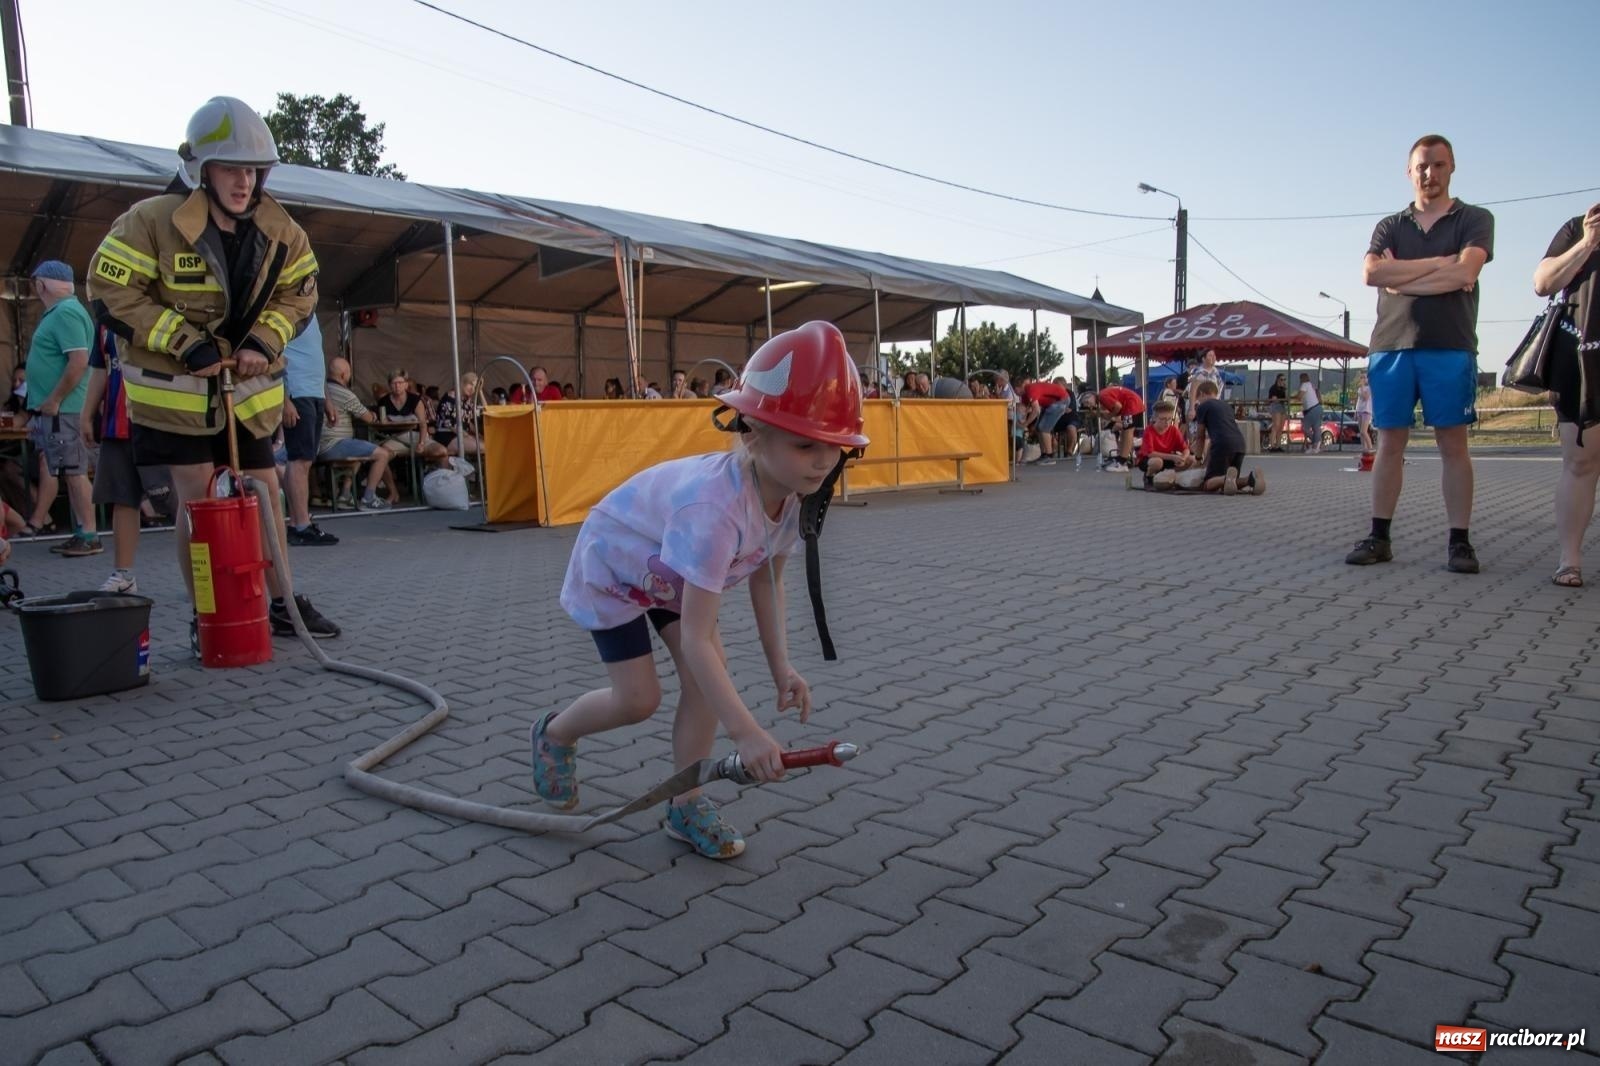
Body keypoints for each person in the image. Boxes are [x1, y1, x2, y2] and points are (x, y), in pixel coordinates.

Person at [532, 321, 868, 859]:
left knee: (709, 680)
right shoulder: (715, 511)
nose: (824, 462)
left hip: (673, 572)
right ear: (755, 432)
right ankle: (556, 734)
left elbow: (765, 575)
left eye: (835, 446)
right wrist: (748, 733)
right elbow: (694, 639)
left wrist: (781, 668)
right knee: (639, 698)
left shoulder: (796, 496)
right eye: (806, 445)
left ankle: (684, 803)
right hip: (618, 565)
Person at [86, 95, 340, 646]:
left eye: (253, 169)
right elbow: (109, 289)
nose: (244, 182)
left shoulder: (282, 229)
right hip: (177, 396)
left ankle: (281, 605)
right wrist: (184, 342)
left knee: (267, 493)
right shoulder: (151, 221)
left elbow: (302, 292)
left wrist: (264, 338)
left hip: (246, 397)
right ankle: (209, 616)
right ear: (200, 168)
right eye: (231, 168)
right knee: (201, 502)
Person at [1347, 134, 1493, 572]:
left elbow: (1466, 270)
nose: (1430, 174)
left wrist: (1404, 276)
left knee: (1454, 445)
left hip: (1450, 345)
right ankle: (1379, 537)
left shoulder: (1474, 219)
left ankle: (1459, 542)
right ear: (1409, 172)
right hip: (1391, 347)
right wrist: (1438, 266)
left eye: (1438, 165)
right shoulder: (1390, 226)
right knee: (1389, 443)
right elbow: (1372, 272)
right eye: (1422, 166)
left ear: (1452, 168)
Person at [79, 325, 178, 592]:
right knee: (123, 499)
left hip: (160, 421)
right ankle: (124, 576)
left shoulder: (158, 305)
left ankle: (207, 570)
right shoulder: (103, 321)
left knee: (179, 503)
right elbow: (100, 368)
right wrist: (87, 414)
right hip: (116, 424)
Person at [1536, 202, 1600, 587]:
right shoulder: (1579, 227)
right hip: (1582, 359)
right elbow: (1542, 282)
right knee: (1579, 462)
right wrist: (1588, 243)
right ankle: (1569, 559)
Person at [17, 261, 100, 554]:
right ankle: (83, 531)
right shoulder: (64, 312)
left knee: (74, 471)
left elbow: (78, 361)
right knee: (70, 470)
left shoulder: (65, 312)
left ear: (41, 284)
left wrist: (53, 399)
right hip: (63, 408)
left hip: (65, 408)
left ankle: (89, 534)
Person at [278, 315, 338, 546]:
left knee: (305, 461)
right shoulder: (287, 313)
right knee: (299, 460)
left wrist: (328, 399)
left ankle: (298, 522)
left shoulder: (311, 317)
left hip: (314, 393)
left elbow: (316, 360)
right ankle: (300, 524)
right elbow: (276, 358)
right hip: (297, 391)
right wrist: (285, 400)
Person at [318, 356, 397, 510]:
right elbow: (367, 418)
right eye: (349, 373)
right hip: (335, 444)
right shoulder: (345, 394)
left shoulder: (321, 389)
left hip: (320, 445)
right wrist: (374, 415)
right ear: (343, 375)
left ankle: (345, 495)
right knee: (382, 454)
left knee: (360, 455)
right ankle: (368, 498)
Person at [1192, 380, 1265, 495]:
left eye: (1198, 398)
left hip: (1222, 445)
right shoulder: (1227, 406)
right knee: (1232, 483)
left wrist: (1197, 458)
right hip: (1240, 444)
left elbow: (1200, 436)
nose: (1198, 401)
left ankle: (1225, 479)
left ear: (1202, 393)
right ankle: (1251, 479)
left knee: (1208, 484)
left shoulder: (1203, 406)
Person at [1136, 399, 1195, 487]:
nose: (1166, 422)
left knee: (1191, 459)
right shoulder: (1149, 431)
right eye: (1163, 419)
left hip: (1168, 458)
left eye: (1169, 419)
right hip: (1149, 459)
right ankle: (1148, 476)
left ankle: (1173, 477)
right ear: (1155, 418)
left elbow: (1185, 449)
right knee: (1157, 462)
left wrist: (1183, 457)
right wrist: (1174, 457)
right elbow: (1150, 453)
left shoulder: (1173, 430)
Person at [1090, 383, 1145, 469]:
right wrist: (1103, 414)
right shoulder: (1103, 394)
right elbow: (1116, 406)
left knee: (1127, 431)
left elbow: (1118, 406)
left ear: (1093, 395)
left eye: (1087, 400)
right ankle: (1124, 456)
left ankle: (1123, 459)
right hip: (1132, 403)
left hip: (1132, 405)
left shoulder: (1102, 396)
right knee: (1124, 431)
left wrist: (1110, 415)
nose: (1087, 403)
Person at [1018, 373, 1068, 466]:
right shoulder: (1024, 395)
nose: (1015, 393)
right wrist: (1020, 420)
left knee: (1044, 428)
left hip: (1061, 400)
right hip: (1051, 403)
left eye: (1015, 389)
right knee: (1038, 428)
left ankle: (1049, 456)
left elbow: (1036, 410)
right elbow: (1025, 409)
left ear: (1020, 386)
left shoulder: (1030, 389)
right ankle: (1044, 455)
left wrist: (1025, 424)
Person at [433, 372, 482, 458]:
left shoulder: (467, 401)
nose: (472, 389)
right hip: (447, 435)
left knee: (488, 445)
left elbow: (468, 421)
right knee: (482, 447)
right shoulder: (449, 398)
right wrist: (467, 436)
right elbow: (449, 424)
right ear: (463, 383)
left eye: (475, 387)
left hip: (462, 434)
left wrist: (480, 391)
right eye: (470, 384)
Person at [1297, 373, 1324, 454]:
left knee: (1305, 428)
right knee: (1316, 428)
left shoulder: (1304, 385)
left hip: (1311, 409)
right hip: (1317, 407)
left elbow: (1299, 397)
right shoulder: (1311, 385)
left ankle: (1316, 443)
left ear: (1302, 379)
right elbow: (1317, 393)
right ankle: (1316, 445)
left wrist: (1292, 397)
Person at [1266, 373, 1289, 451]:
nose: (1283, 381)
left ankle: (1278, 445)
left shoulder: (1283, 389)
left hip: (1282, 406)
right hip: (1276, 406)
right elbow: (1273, 398)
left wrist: (1285, 389)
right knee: (1276, 425)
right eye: (1281, 379)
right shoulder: (1273, 388)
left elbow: (1285, 398)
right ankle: (1272, 445)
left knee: (1281, 427)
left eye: (1284, 379)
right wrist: (1278, 399)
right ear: (1277, 380)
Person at [1354, 372, 1374, 452]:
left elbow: (1365, 397)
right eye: (1362, 377)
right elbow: (1359, 401)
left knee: (1364, 431)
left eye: (1365, 377)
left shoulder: (1369, 388)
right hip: (1360, 411)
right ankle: (1364, 450)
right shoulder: (1360, 388)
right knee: (1361, 433)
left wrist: (1362, 386)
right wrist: (1356, 411)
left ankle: (1370, 448)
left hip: (1366, 411)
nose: (1363, 379)